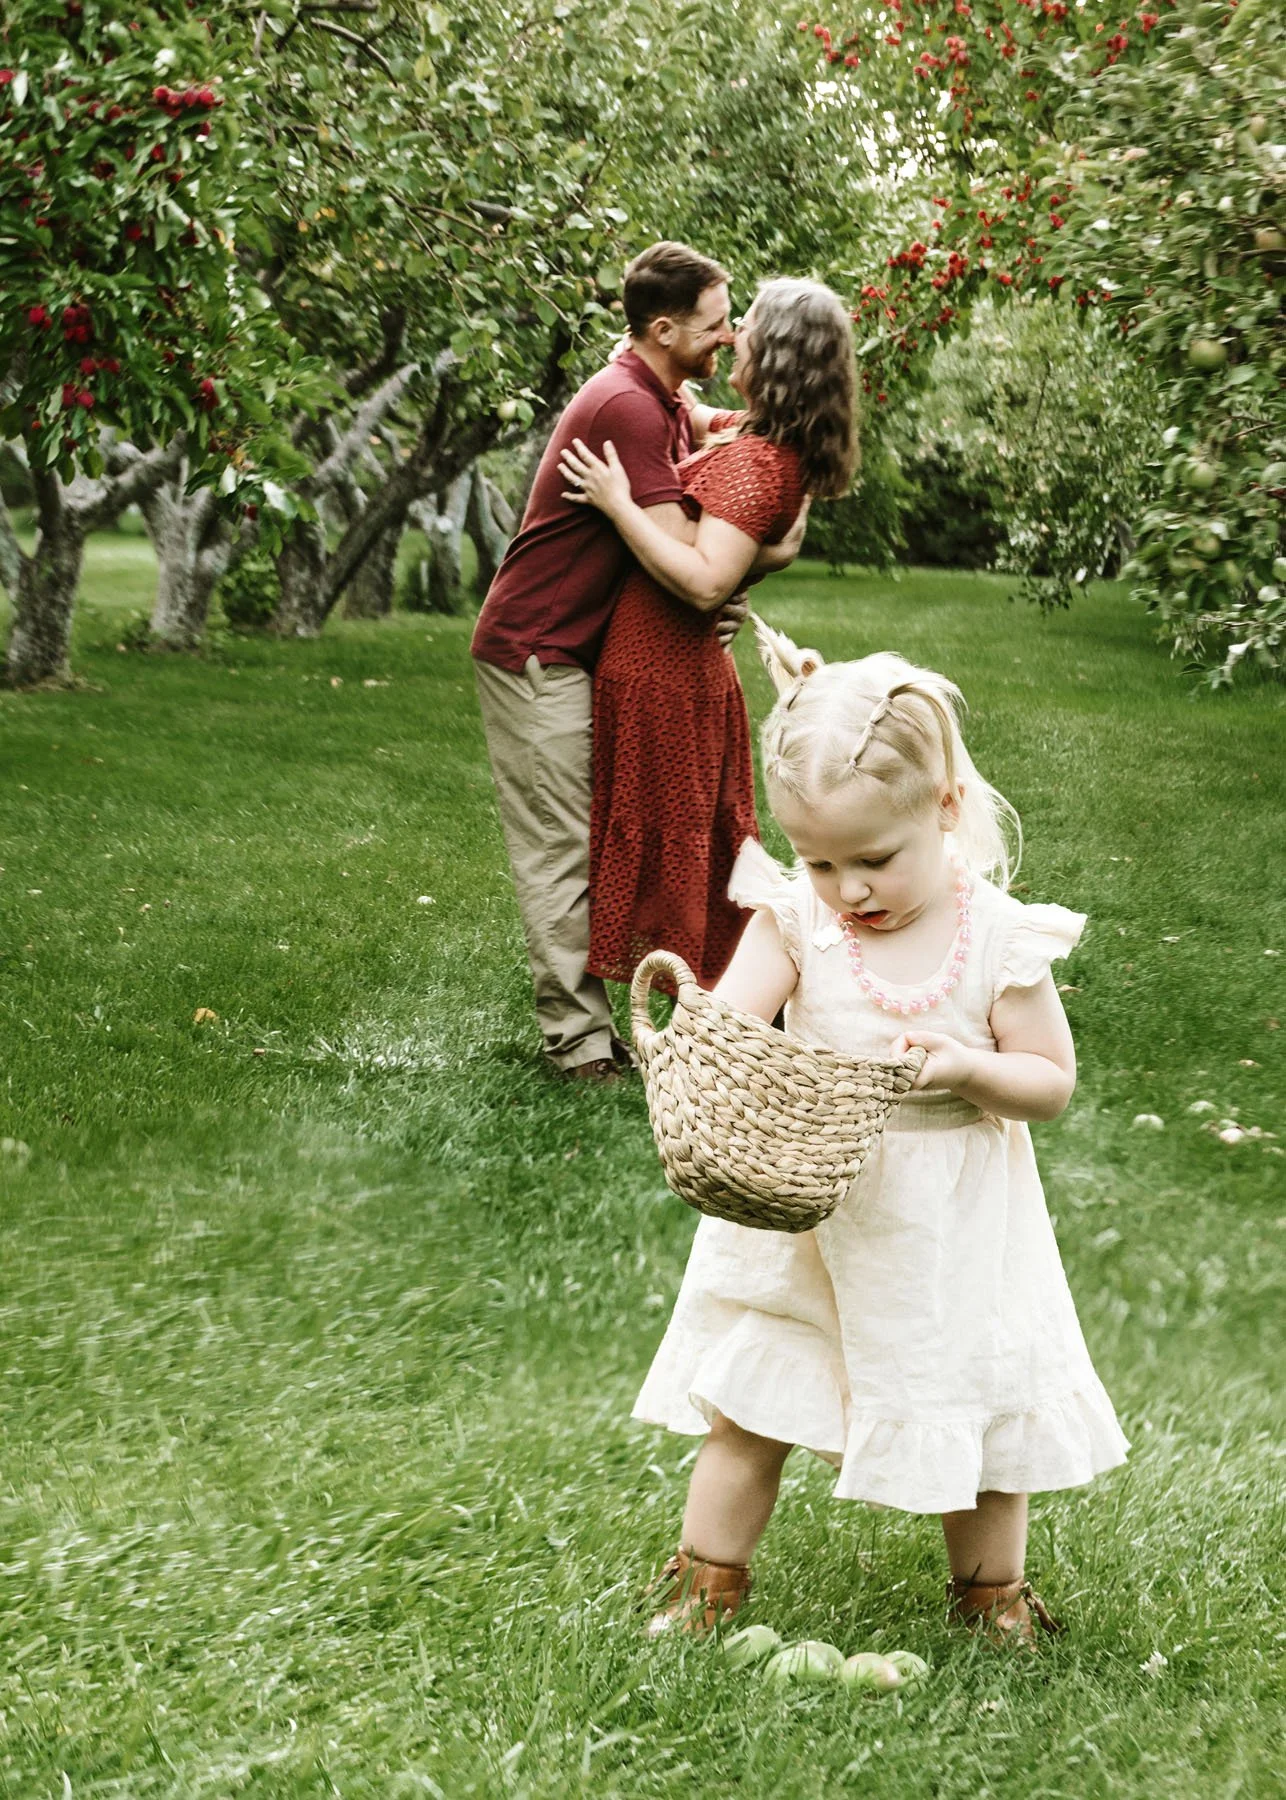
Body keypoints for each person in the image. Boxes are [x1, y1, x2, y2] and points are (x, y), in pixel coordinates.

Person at [632, 624, 1128, 1647]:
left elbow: (1048, 1082)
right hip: (812, 1212)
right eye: (816, 859)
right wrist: (702, 1045)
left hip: (947, 1225)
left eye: (872, 858)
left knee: (977, 1417)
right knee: (751, 1404)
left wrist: (964, 1068)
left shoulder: (995, 936)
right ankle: (702, 1586)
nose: (846, 887)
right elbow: (730, 1025)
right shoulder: (794, 918)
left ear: (942, 811)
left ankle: (989, 1597)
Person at [472, 242, 784, 1083]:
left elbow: (724, 445)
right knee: (560, 850)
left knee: (587, 836)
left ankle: (604, 1029)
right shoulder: (628, 408)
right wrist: (726, 582)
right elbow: (689, 552)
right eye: (717, 326)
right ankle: (577, 1046)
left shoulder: (664, 397)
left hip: (584, 648)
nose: (726, 338)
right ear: (662, 327)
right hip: (539, 650)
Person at [558, 278, 854, 990]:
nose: (731, 336)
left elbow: (704, 581)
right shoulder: (754, 436)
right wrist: (635, 359)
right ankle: (736, 1000)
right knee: (696, 847)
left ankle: (723, 1003)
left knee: (681, 850)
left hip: (666, 673)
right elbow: (689, 417)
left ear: (776, 354)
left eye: (744, 326)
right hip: (663, 669)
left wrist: (617, 503)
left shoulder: (758, 461)